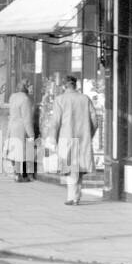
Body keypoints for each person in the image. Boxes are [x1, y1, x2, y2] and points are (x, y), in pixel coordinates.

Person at [48, 75, 97, 206]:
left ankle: (72, 197)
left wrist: (53, 138)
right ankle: (76, 196)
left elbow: (55, 121)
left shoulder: (60, 99)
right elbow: (95, 120)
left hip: (67, 138)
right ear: (76, 85)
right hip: (83, 138)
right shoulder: (85, 99)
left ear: (64, 86)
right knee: (79, 169)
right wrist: (89, 134)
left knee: (71, 169)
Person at [5, 82, 36, 183]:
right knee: (20, 152)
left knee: (14, 150)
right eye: (29, 86)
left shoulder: (12, 97)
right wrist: (31, 135)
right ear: (26, 87)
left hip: (12, 125)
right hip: (21, 127)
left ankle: (16, 174)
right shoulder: (25, 99)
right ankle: (20, 175)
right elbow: (27, 119)